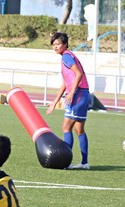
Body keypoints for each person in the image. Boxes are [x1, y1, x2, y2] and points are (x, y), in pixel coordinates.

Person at [46, 32, 90, 170]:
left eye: (58, 44)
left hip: (77, 95)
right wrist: (54, 102)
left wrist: (71, 93)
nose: (55, 47)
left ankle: (66, 162)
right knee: (79, 130)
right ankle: (84, 163)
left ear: (65, 44)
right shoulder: (69, 55)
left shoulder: (66, 56)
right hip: (83, 94)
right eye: (53, 44)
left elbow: (79, 73)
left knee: (66, 127)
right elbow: (66, 82)